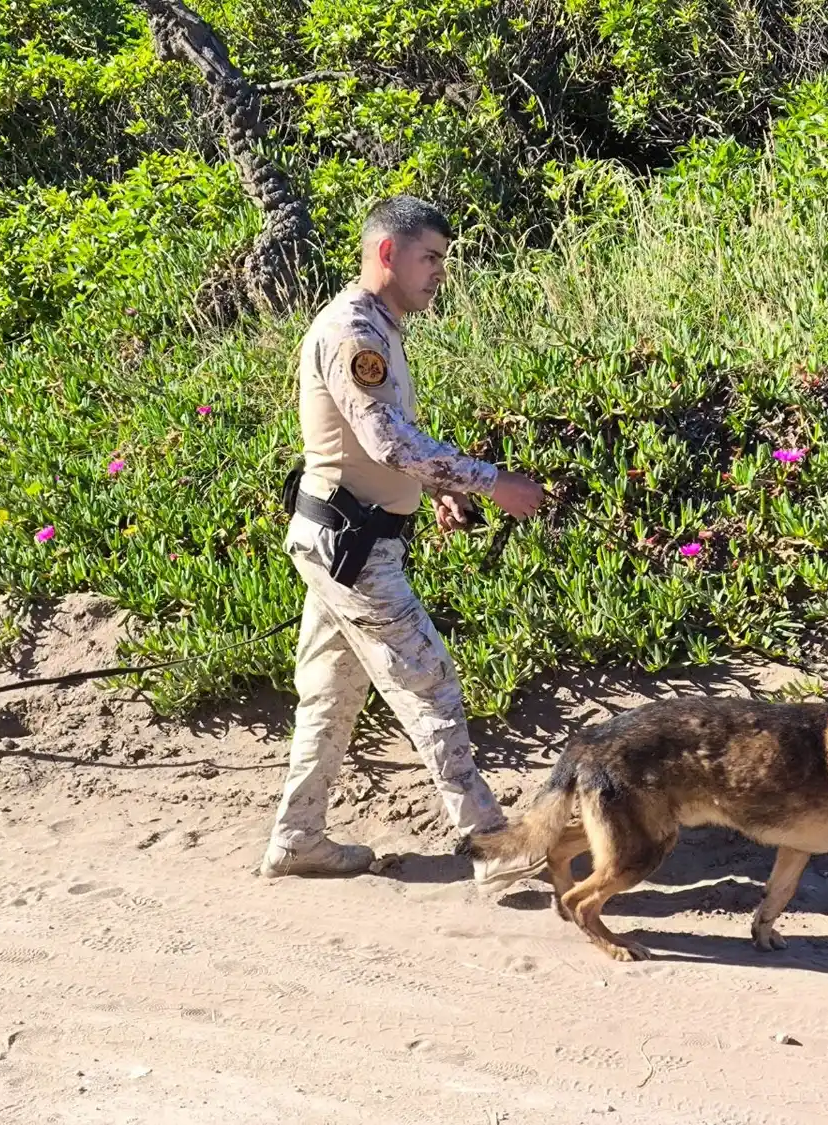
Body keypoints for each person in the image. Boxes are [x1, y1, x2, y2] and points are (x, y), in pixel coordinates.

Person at [260, 195, 546, 887]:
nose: (439, 273)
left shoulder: (373, 327)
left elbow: (379, 443)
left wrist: (438, 489)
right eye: (430, 257)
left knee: (330, 693)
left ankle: (298, 839)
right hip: (352, 547)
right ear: (387, 253)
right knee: (429, 683)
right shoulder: (354, 332)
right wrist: (489, 482)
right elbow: (388, 439)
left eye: (442, 259)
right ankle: (488, 842)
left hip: (347, 538)